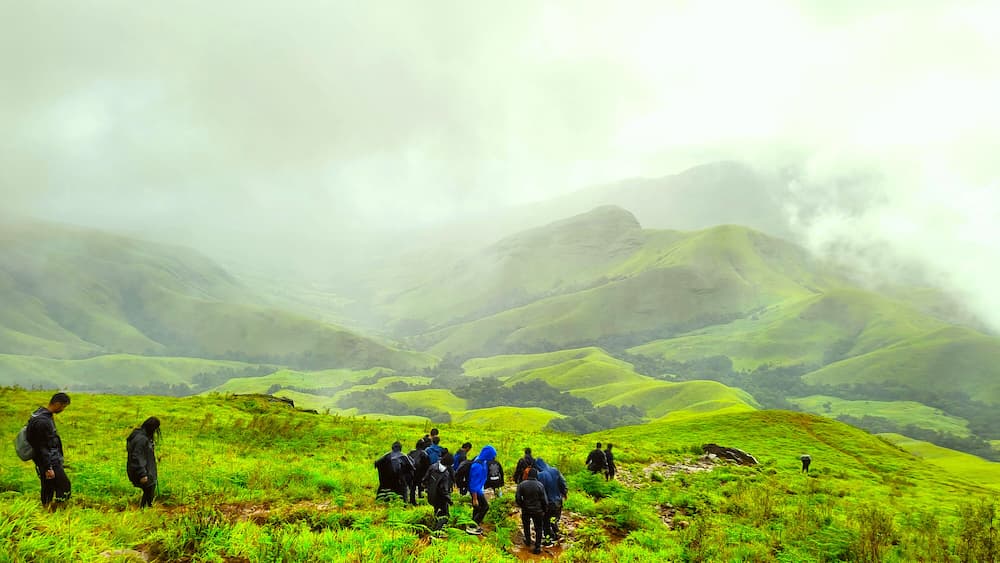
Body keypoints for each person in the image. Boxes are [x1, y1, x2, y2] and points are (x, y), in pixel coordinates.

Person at [26, 392, 72, 507]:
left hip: (44, 460)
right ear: (57, 404)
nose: (63, 409)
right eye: (63, 406)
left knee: (48, 486)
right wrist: (48, 467)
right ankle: (59, 511)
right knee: (64, 486)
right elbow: (42, 447)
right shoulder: (43, 422)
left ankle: (46, 510)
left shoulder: (39, 414)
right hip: (49, 461)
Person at [126, 417, 161, 508]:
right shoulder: (142, 439)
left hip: (143, 470)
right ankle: (146, 511)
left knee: (149, 490)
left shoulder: (139, 436)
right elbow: (136, 457)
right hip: (142, 471)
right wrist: (142, 474)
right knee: (149, 489)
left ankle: (144, 510)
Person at [534, 458, 568, 545]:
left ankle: (548, 540)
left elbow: (539, 491)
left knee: (546, 522)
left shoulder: (540, 475)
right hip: (558, 501)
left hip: (548, 503)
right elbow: (563, 482)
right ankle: (557, 536)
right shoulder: (555, 470)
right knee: (554, 520)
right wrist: (564, 493)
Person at [515, 467, 548, 554]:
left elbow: (517, 498)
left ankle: (528, 541)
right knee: (539, 528)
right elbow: (544, 500)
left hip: (526, 509)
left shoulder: (522, 484)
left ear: (528, 475)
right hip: (538, 510)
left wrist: (522, 505)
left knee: (526, 526)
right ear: (536, 475)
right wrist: (544, 510)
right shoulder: (540, 485)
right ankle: (537, 547)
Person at [466, 445, 497, 535]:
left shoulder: (482, 460)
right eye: (492, 455)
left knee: (477, 508)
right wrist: (474, 498)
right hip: (476, 490)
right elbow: (473, 483)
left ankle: (473, 523)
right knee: (485, 507)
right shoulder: (477, 466)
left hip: (479, 488)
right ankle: (472, 527)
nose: (493, 458)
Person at [423, 449, 455, 531]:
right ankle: (436, 532)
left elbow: (424, 480)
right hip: (441, 498)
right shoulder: (445, 474)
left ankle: (433, 525)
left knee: (436, 511)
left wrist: (429, 489)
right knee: (445, 515)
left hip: (431, 496)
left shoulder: (433, 466)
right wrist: (449, 500)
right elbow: (443, 490)